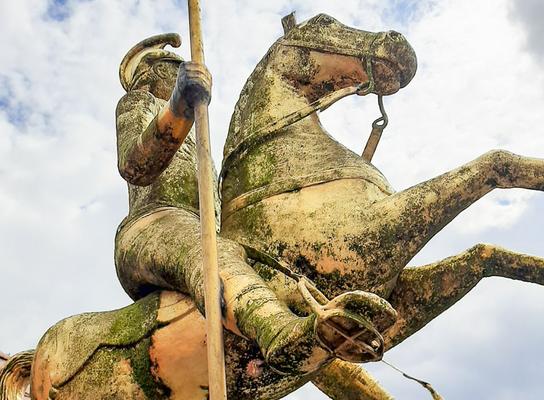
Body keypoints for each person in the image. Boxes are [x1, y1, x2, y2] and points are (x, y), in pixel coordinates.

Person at [113, 33, 390, 375]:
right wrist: (180, 104)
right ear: (150, 76)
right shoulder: (139, 105)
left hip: (209, 232)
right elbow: (136, 167)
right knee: (213, 253)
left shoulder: (201, 143)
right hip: (154, 227)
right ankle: (277, 333)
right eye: (174, 68)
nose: (183, 72)